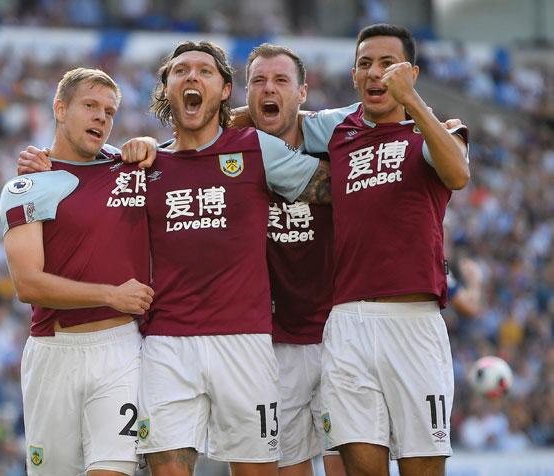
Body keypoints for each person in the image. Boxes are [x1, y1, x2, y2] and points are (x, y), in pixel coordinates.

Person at [132, 40, 331, 476]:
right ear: (165, 88)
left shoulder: (257, 148)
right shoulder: (143, 165)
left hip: (245, 341)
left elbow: (340, 187)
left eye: (204, 71)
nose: (191, 77)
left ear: (225, 90)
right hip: (167, 342)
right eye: (180, 71)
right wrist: (41, 163)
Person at [300, 24, 469, 476]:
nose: (376, 73)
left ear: (410, 72)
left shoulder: (437, 129)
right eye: (365, 64)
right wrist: (237, 115)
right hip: (348, 324)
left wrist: (413, 101)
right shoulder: (337, 130)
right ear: (354, 75)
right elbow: (278, 119)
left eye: (388, 64)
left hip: (413, 324)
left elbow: (457, 175)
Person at [0, 67, 155, 476]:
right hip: (54, 352)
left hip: (121, 348)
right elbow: (27, 284)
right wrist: (110, 294)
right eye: (90, 106)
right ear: (60, 108)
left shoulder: (132, 168)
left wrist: (152, 143)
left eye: (110, 111)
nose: (102, 118)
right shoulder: (30, 184)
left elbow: (206, 138)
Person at [243, 43, 345, 476]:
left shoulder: (340, 139)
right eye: (259, 81)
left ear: (302, 92)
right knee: (288, 465)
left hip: (342, 332)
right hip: (273, 342)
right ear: (244, 93)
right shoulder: (231, 152)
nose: (270, 89)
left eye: (281, 80)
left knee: (353, 461)